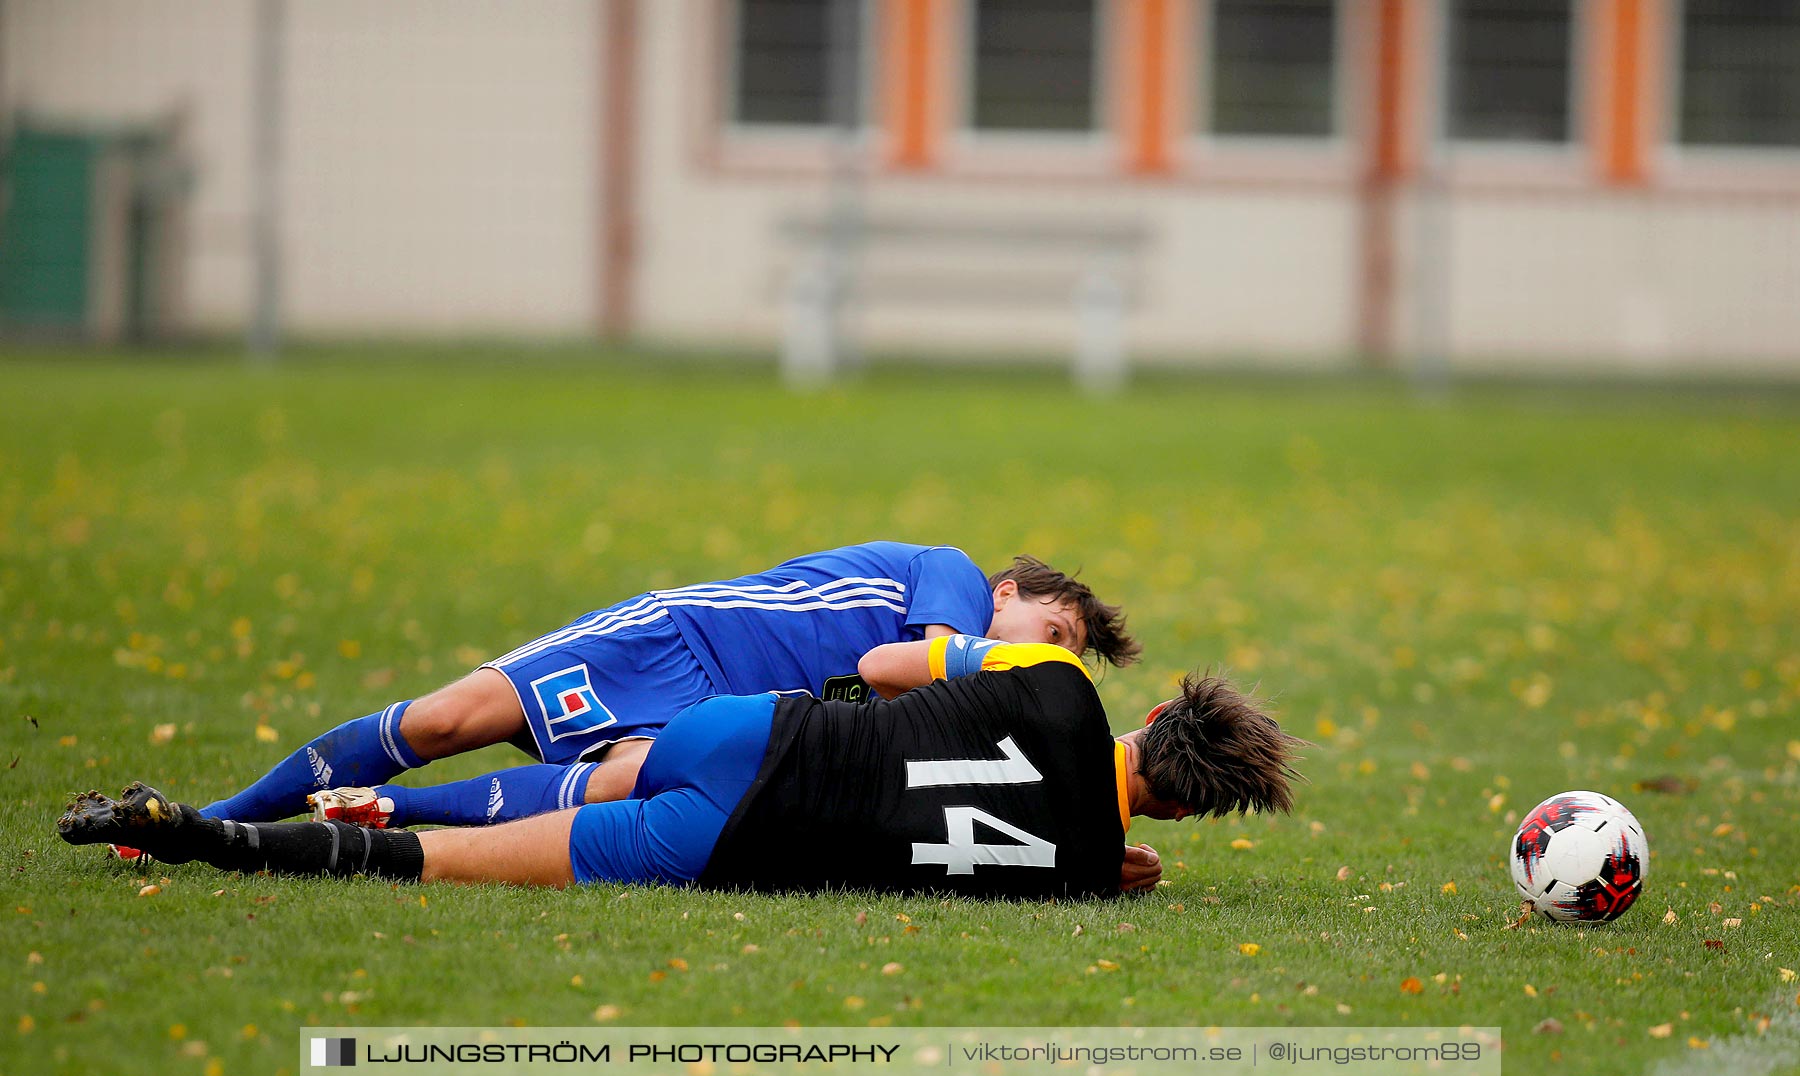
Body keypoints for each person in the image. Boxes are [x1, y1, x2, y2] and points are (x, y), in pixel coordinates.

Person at [59, 637, 1302, 898]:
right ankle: (211, 839)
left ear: (1152, 707)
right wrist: (1101, 863)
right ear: (1189, 809)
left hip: (749, 737)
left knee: (583, 776)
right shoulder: (1087, 872)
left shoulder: (1057, 676)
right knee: (441, 864)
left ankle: (328, 791)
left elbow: (875, 665)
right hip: (740, 846)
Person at [194, 544, 1141, 830]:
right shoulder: (957, 581)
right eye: (1051, 632)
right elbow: (909, 674)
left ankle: (381, 815)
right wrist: (1031, 681)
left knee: (612, 788)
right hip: (670, 641)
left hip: (715, 718)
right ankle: (219, 814)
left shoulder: (978, 661)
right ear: (1012, 595)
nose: (1046, 653)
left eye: (1061, 650)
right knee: (446, 719)